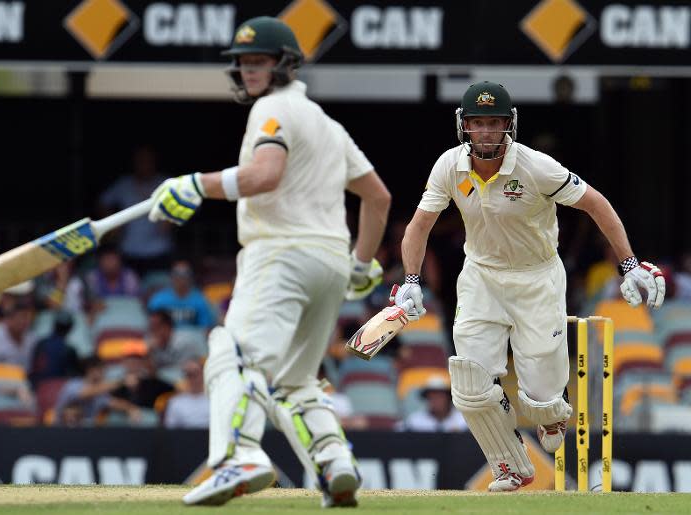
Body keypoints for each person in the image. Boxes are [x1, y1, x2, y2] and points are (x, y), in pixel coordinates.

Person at [146, 16, 391, 507]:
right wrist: (361, 264)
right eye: (243, 63)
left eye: (259, 61)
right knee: (295, 381)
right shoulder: (329, 125)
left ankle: (240, 456)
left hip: (281, 252)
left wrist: (195, 184)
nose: (249, 70)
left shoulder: (273, 108)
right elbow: (379, 198)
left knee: (233, 354)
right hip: (330, 262)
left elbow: (265, 175)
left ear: (286, 64)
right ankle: (333, 463)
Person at [393, 81, 665, 492]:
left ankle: (550, 412)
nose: (485, 132)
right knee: (469, 381)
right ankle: (510, 465)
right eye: (477, 123)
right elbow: (418, 227)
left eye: (493, 123)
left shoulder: (537, 166)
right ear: (463, 126)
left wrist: (628, 264)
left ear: (509, 125)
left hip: (537, 278)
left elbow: (596, 203)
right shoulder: (449, 166)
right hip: (481, 276)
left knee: (541, 402)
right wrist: (411, 279)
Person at [98, 144, 174, 275]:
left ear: (154, 163)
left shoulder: (166, 184)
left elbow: (190, 202)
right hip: (129, 249)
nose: (144, 165)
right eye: (141, 161)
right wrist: (113, 226)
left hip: (159, 250)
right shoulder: (124, 184)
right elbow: (102, 202)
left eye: (148, 161)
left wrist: (172, 218)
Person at [147, 261, 215, 330]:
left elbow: (205, 328)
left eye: (185, 275)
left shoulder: (200, 300)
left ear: (191, 278)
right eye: (177, 274)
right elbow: (152, 326)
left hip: (192, 337)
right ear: (171, 277)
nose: (181, 279)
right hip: (166, 337)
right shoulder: (159, 299)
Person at [396, 376, 467, 432]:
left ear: (448, 398)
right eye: (432, 397)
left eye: (440, 396)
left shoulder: (464, 422)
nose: (436, 400)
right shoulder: (414, 422)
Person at [164, 359, 209, 429]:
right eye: (188, 374)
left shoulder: (214, 400)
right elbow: (170, 430)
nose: (192, 378)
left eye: (195, 373)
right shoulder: (175, 402)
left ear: (203, 374)